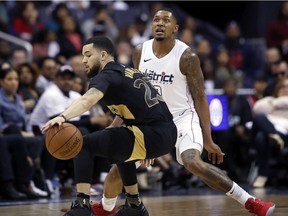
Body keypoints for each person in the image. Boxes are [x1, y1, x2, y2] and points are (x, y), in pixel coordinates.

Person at [92, 8, 276, 216]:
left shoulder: (187, 56)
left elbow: (200, 97)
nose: (160, 24)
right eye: (156, 20)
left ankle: (250, 201)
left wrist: (208, 139)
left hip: (182, 118)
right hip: (151, 121)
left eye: (166, 21)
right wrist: (127, 126)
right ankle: (105, 208)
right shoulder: (139, 52)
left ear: (175, 28)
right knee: (120, 165)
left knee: (192, 162)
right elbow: (136, 96)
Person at [41, 36, 177, 216]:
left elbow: (88, 99)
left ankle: (82, 205)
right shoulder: (126, 71)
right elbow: (126, 110)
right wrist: (115, 131)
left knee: (82, 145)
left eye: (88, 55)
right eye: (83, 56)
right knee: (119, 146)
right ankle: (134, 205)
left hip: (151, 132)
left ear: (103, 55)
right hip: (163, 132)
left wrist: (63, 116)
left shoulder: (106, 75)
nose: (84, 60)